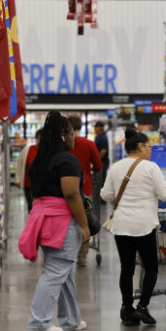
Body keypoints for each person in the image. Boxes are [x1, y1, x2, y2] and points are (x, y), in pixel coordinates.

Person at [18, 111, 90, 331]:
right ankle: (38, 322)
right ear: (62, 135)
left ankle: (71, 320)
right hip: (62, 221)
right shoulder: (66, 160)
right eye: (71, 134)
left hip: (44, 219)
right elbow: (71, 194)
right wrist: (84, 224)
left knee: (64, 271)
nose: (73, 138)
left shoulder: (39, 159)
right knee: (56, 270)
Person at [101, 128, 166, 326]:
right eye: (149, 146)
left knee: (126, 270)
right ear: (140, 146)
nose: (151, 150)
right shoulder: (151, 167)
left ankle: (127, 309)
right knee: (151, 267)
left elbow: (105, 195)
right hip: (144, 225)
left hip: (122, 226)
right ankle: (143, 307)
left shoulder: (116, 168)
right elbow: (164, 195)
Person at [67, 114, 102, 266]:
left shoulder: (62, 145)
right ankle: (82, 256)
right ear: (80, 126)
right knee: (84, 222)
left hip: (64, 190)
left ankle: (67, 254)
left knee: (67, 222)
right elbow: (99, 167)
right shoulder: (89, 144)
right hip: (85, 189)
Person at [17, 129, 43, 212]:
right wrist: (18, 179)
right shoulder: (27, 150)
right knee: (31, 207)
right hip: (29, 186)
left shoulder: (49, 152)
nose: (40, 140)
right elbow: (20, 165)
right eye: (38, 138)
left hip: (43, 187)